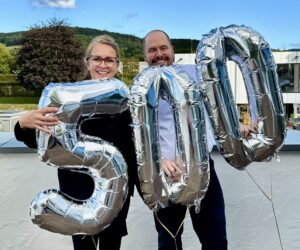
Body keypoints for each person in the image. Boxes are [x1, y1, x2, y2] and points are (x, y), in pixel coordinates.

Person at [14, 35, 137, 250]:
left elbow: (136, 148)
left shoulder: (127, 102)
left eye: (109, 60)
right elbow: (42, 141)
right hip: (77, 197)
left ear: (117, 65)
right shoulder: (69, 99)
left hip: (115, 194)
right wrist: (22, 123)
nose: (103, 65)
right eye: (97, 58)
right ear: (87, 61)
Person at [143, 30, 258, 250]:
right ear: (145, 55)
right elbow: (139, 135)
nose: (159, 54)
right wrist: (158, 161)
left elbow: (216, 108)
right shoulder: (141, 88)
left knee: (215, 239)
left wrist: (238, 127)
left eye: (163, 48)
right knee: (169, 243)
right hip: (166, 175)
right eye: (152, 50)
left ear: (172, 50)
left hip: (203, 169)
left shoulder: (194, 73)